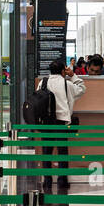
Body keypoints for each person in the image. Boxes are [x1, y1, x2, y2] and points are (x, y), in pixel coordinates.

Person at [39, 58, 85, 194]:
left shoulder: (43, 82)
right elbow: (82, 89)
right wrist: (73, 75)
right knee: (62, 151)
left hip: (46, 122)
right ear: (62, 71)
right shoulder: (67, 84)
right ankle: (62, 180)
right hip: (61, 122)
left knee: (46, 152)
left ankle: (47, 180)